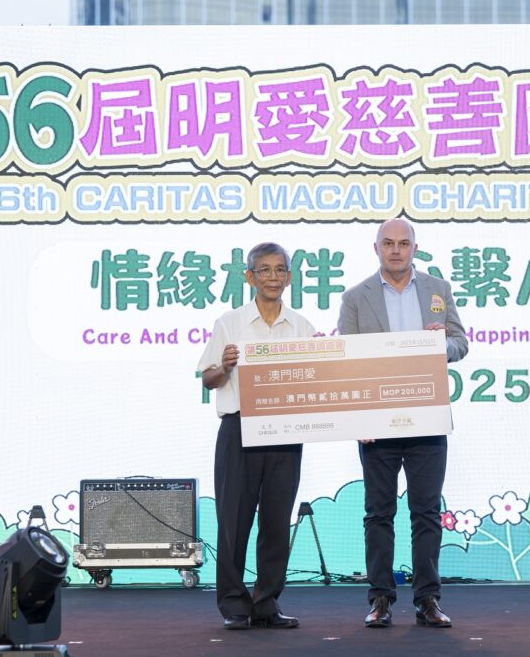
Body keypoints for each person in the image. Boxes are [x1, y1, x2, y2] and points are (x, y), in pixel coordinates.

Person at [337, 218, 468, 629]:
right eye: (388, 243)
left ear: (415, 248)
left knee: (426, 512)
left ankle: (428, 599)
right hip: (376, 422)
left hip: (427, 416)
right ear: (376, 248)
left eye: (404, 243)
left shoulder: (437, 289)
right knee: (378, 513)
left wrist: (440, 345)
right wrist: (356, 417)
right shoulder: (355, 297)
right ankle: (380, 598)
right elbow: (345, 359)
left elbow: (460, 343)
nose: (396, 250)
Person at [198, 242, 315, 630]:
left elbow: (315, 380)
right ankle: (234, 604)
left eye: (279, 270)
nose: (272, 277)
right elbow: (208, 379)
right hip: (240, 429)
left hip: (286, 430)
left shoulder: (302, 327)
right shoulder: (229, 323)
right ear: (249, 277)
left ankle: (266, 603)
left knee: (277, 521)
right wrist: (225, 366)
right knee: (234, 520)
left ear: (289, 278)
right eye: (264, 270)